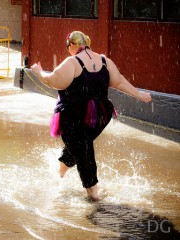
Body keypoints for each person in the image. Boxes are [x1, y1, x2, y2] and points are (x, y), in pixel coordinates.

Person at [30, 31, 152, 201]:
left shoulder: (72, 62)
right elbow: (119, 81)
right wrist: (139, 94)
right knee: (80, 146)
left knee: (83, 150)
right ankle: (59, 176)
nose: (68, 50)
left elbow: (52, 81)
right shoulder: (104, 61)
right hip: (99, 116)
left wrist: (39, 72)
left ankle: (93, 194)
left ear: (73, 44)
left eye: (68, 47)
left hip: (73, 117)